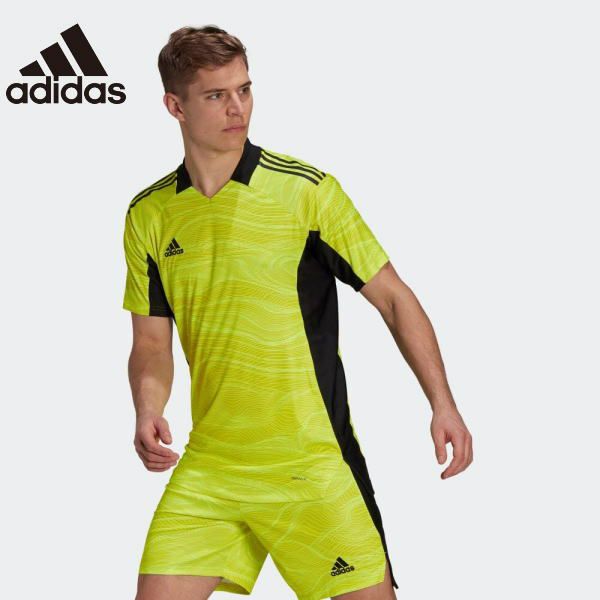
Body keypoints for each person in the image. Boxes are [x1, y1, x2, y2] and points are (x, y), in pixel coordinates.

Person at [123, 25, 473, 600]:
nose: (237, 108)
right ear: (175, 107)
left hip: (311, 465)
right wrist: (147, 409)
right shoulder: (150, 214)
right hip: (213, 468)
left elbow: (393, 297)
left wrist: (443, 403)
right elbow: (151, 344)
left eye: (244, 89)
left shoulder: (307, 192)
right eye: (216, 95)